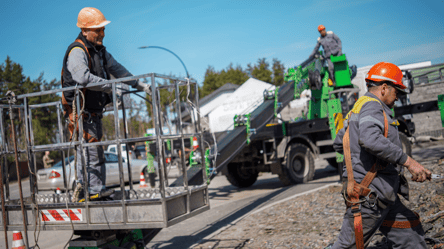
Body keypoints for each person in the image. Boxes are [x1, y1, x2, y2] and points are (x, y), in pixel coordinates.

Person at [330, 62, 432, 249]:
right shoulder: (373, 107)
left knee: (410, 233)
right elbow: (370, 140)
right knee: (347, 246)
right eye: (397, 92)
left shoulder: (358, 107)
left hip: (384, 195)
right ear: (384, 88)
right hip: (369, 197)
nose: (397, 97)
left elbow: (339, 142)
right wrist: (408, 161)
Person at [61, 7, 151, 201]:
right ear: (85, 31)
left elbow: (118, 70)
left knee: (96, 153)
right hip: (81, 114)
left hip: (94, 112)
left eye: (103, 29)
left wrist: (139, 84)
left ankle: (95, 191)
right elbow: (82, 77)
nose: (102, 33)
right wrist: (110, 87)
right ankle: (90, 191)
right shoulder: (78, 51)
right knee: (89, 153)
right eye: (97, 30)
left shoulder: (100, 52)